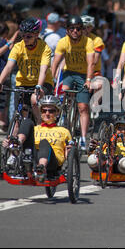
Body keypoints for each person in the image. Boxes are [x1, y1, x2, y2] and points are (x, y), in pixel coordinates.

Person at [0, 17, 54, 122]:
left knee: (34, 100)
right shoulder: (18, 47)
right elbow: (8, 67)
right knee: (20, 114)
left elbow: (43, 70)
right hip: (23, 82)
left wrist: (39, 86)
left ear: (36, 35)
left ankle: (40, 127)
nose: (25, 39)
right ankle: (13, 137)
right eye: (23, 36)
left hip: (42, 83)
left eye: (29, 36)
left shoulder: (44, 48)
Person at [2, 95, 72, 182]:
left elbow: (69, 152)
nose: (47, 113)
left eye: (51, 111)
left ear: (57, 112)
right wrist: (9, 143)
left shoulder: (64, 131)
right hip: (31, 158)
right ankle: (17, 144)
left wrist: (69, 153)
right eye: (44, 111)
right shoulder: (35, 128)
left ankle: (41, 169)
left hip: (52, 162)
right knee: (27, 121)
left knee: (44, 142)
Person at [51, 15, 95, 151]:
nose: (75, 31)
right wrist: (51, 80)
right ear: (67, 31)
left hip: (83, 75)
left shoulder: (88, 42)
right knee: (62, 93)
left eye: (78, 29)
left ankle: (82, 137)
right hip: (69, 72)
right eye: (72, 29)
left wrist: (88, 80)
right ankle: (63, 116)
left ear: (82, 30)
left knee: (83, 107)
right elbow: (56, 62)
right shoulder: (63, 42)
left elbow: (91, 63)